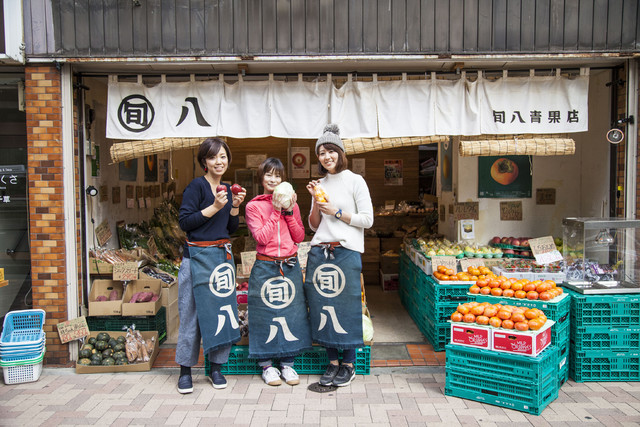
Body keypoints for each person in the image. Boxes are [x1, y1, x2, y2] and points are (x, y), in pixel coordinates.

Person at [304, 124, 374, 387]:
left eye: (331, 150)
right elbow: (313, 225)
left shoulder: (356, 181)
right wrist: (314, 201)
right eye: (321, 152)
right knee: (323, 308)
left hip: (346, 252)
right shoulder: (319, 184)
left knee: (347, 307)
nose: (326, 156)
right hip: (320, 251)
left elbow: (367, 220)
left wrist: (335, 211)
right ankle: (332, 363)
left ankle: (349, 364)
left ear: (340, 153)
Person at [175, 137, 246, 393]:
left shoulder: (227, 189)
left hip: (220, 259)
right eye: (213, 157)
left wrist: (234, 206)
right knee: (191, 314)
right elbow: (185, 222)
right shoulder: (196, 187)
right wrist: (215, 206)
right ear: (204, 161)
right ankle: (185, 372)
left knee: (221, 314)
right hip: (195, 258)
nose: (219, 161)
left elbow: (229, 229)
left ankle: (216, 368)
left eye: (223, 156)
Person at [244, 158, 312, 386]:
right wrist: (275, 211)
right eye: (269, 175)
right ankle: (266, 366)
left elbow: (299, 237)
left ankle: (288, 364)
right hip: (266, 265)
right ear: (261, 178)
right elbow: (261, 237)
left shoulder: (293, 204)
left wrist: (290, 212)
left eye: (278, 176)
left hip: (290, 265)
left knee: (291, 313)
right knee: (265, 315)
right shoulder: (253, 206)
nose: (273, 180)